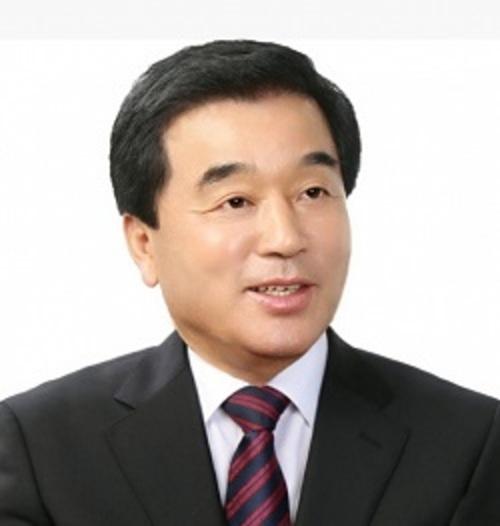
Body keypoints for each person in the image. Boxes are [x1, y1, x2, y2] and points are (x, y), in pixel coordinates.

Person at [0, 40, 498, 526]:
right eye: (236, 201)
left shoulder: (471, 445)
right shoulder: (39, 450)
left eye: (312, 192)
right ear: (144, 244)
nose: (285, 238)